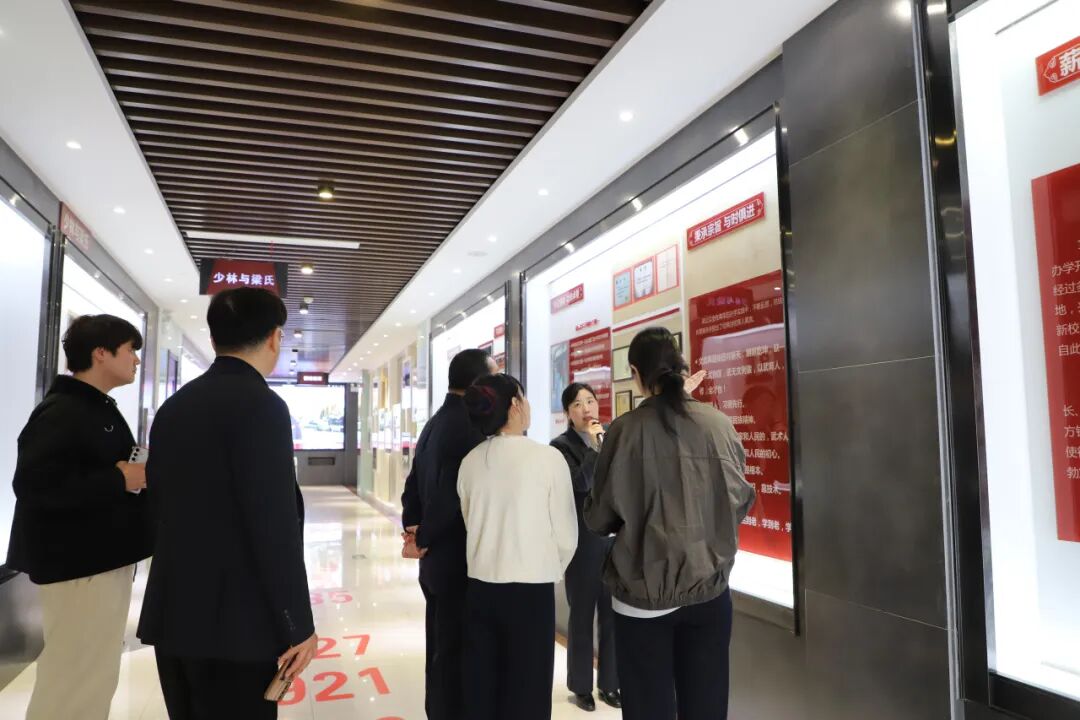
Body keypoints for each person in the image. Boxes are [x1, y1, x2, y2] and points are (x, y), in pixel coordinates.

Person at [138, 288, 317, 719]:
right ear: (274, 338)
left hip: (175, 616)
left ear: (214, 337)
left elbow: (158, 502)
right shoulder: (264, 407)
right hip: (238, 626)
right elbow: (273, 526)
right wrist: (297, 623)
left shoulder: (175, 407)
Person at [585, 327, 756, 720]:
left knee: (648, 708)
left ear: (636, 372)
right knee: (706, 707)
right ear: (681, 366)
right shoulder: (718, 424)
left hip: (642, 597)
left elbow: (599, 519)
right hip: (709, 591)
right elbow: (739, 501)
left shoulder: (624, 431)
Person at [6, 314, 150, 720]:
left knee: (91, 675)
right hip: (80, 566)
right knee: (76, 678)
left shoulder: (92, 407)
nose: (136, 360)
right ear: (100, 353)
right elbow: (33, 485)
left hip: (96, 562)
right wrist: (119, 479)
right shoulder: (65, 411)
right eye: (130, 350)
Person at [458, 374, 578, 720]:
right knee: (528, 691)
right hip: (531, 591)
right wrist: (547, 565)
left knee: (483, 689)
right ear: (515, 405)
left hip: (480, 587)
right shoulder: (548, 458)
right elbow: (566, 535)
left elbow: (470, 521)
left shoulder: (470, 462)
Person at [400, 348, 496, 720]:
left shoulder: (436, 421)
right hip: (454, 559)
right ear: (478, 384)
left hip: (434, 563)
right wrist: (424, 537)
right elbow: (450, 495)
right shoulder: (468, 427)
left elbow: (413, 484)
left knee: (440, 646)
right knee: (453, 651)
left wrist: (413, 529)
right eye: (493, 378)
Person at [550, 383, 620, 712]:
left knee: (612, 613)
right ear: (568, 413)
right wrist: (594, 448)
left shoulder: (609, 439)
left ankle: (610, 683)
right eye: (578, 404)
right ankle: (581, 686)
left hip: (613, 540)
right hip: (582, 541)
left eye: (590, 400)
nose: (586, 408)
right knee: (581, 615)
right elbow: (580, 483)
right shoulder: (560, 447)